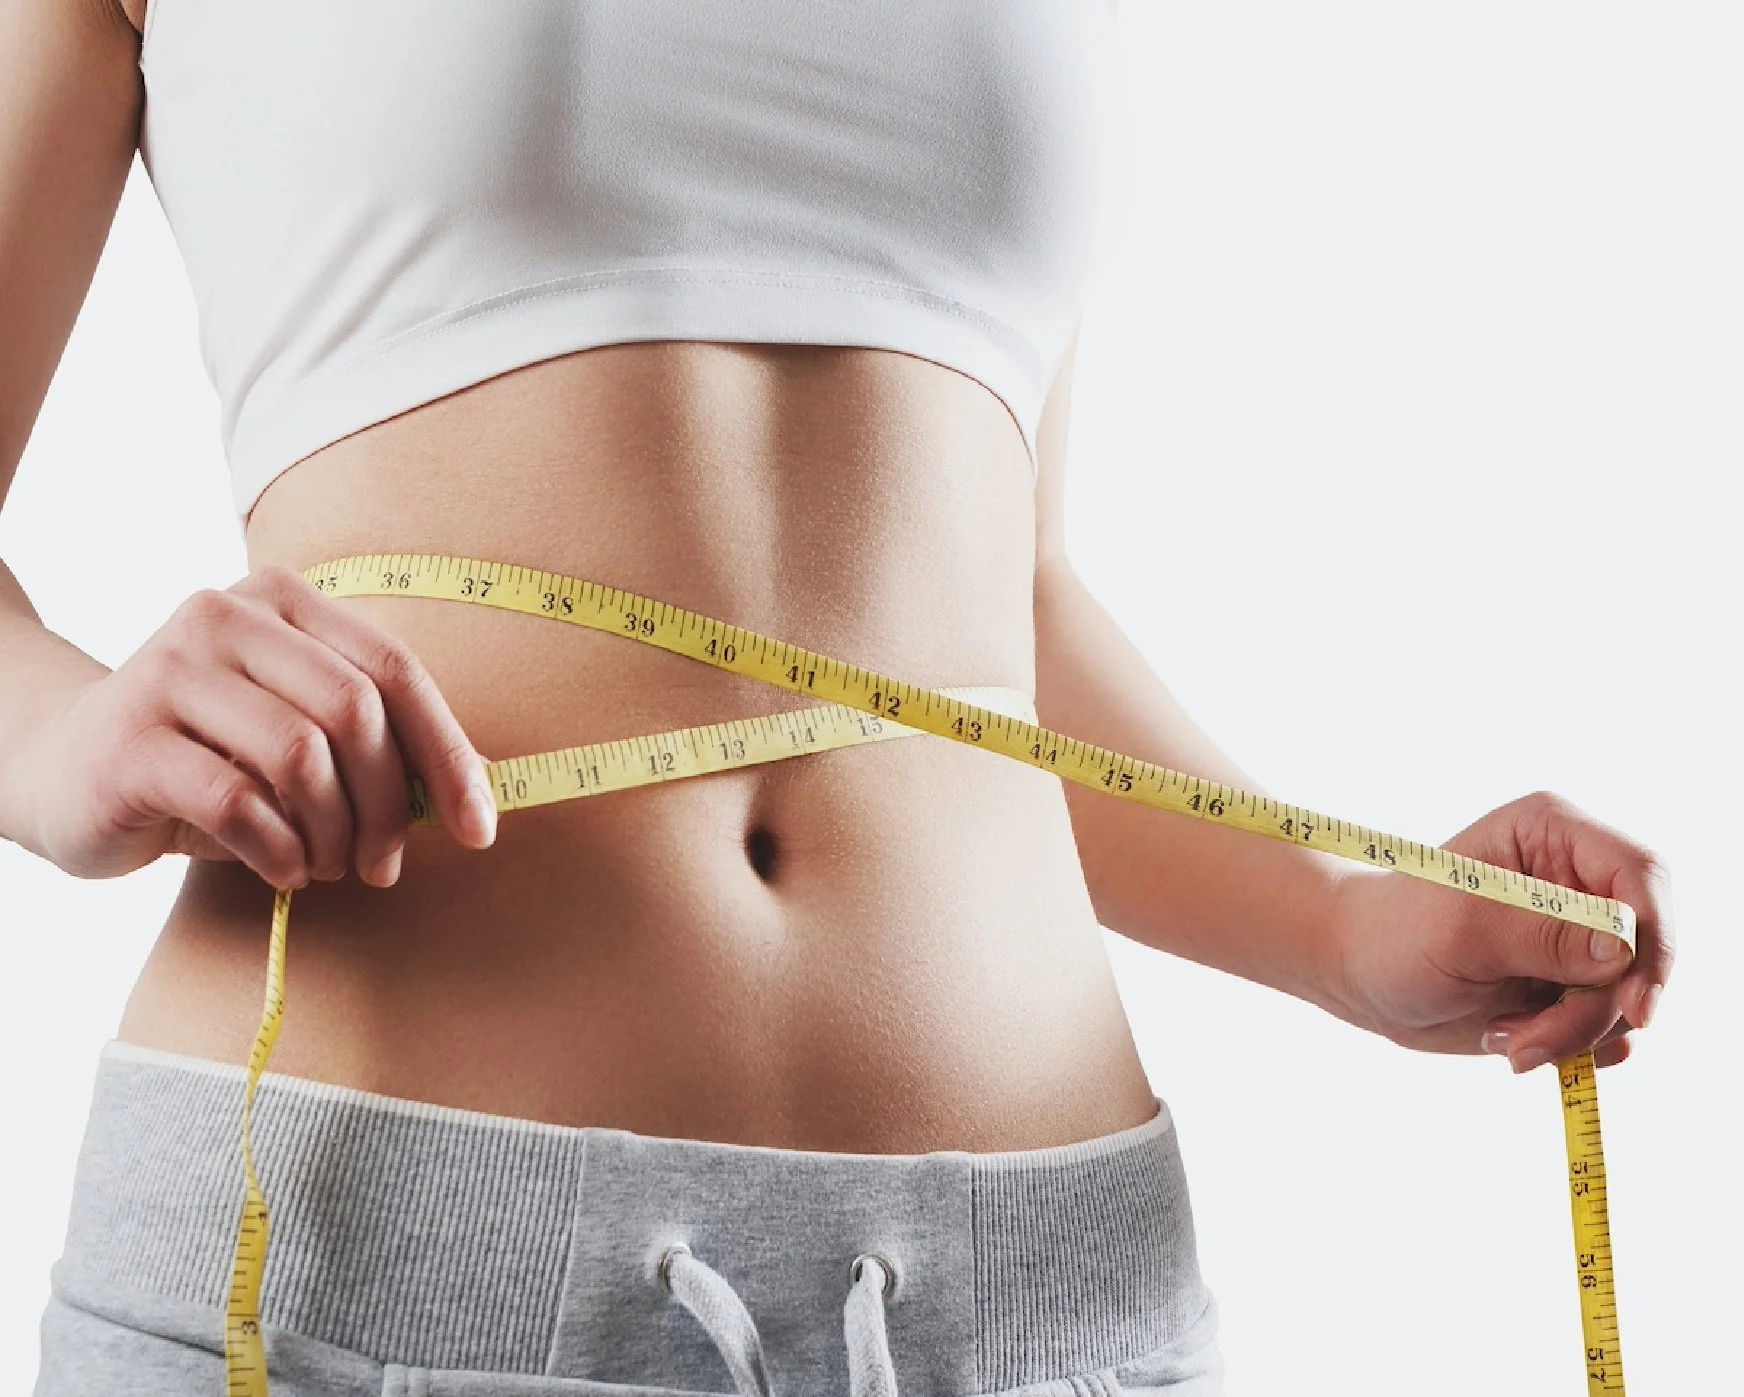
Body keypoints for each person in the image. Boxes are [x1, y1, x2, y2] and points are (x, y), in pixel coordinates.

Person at [0, 2, 1674, 1394]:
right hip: (379, 1257)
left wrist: (1336, 928)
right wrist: (62, 737)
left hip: (1043, 1298)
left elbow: (992, 623)